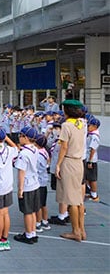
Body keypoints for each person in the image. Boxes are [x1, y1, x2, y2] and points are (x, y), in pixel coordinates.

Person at [55, 99, 86, 241]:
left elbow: (64, 147)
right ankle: (81, 229)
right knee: (79, 198)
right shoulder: (82, 124)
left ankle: (75, 231)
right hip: (79, 162)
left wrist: (58, 164)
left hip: (69, 161)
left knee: (71, 199)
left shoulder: (66, 126)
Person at [13, 126, 41, 244]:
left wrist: (20, 189)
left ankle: (28, 234)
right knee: (33, 210)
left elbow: (21, 172)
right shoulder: (35, 149)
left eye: (21, 136)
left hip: (27, 185)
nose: (19, 138)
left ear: (26, 137)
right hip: (35, 183)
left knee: (27, 212)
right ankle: (33, 232)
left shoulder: (24, 153)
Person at [35, 134, 51, 233]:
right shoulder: (45, 151)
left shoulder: (38, 154)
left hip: (38, 181)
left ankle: (38, 222)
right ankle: (45, 221)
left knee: (38, 204)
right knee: (43, 203)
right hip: (44, 180)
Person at [85, 118, 100, 202]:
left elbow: (93, 149)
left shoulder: (94, 136)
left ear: (95, 126)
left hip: (91, 160)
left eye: (89, 125)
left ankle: (94, 195)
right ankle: (90, 192)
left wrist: (90, 161)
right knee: (88, 177)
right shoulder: (90, 134)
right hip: (87, 158)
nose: (88, 127)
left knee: (92, 178)